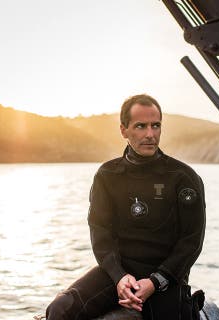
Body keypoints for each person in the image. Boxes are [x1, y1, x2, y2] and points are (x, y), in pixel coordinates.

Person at [46, 94, 206, 320]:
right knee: (60, 309)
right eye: (140, 126)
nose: (150, 134)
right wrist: (119, 277)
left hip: (166, 278)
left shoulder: (183, 177)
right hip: (118, 274)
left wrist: (155, 281)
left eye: (156, 126)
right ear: (124, 130)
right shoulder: (107, 175)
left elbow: (191, 242)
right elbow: (101, 233)